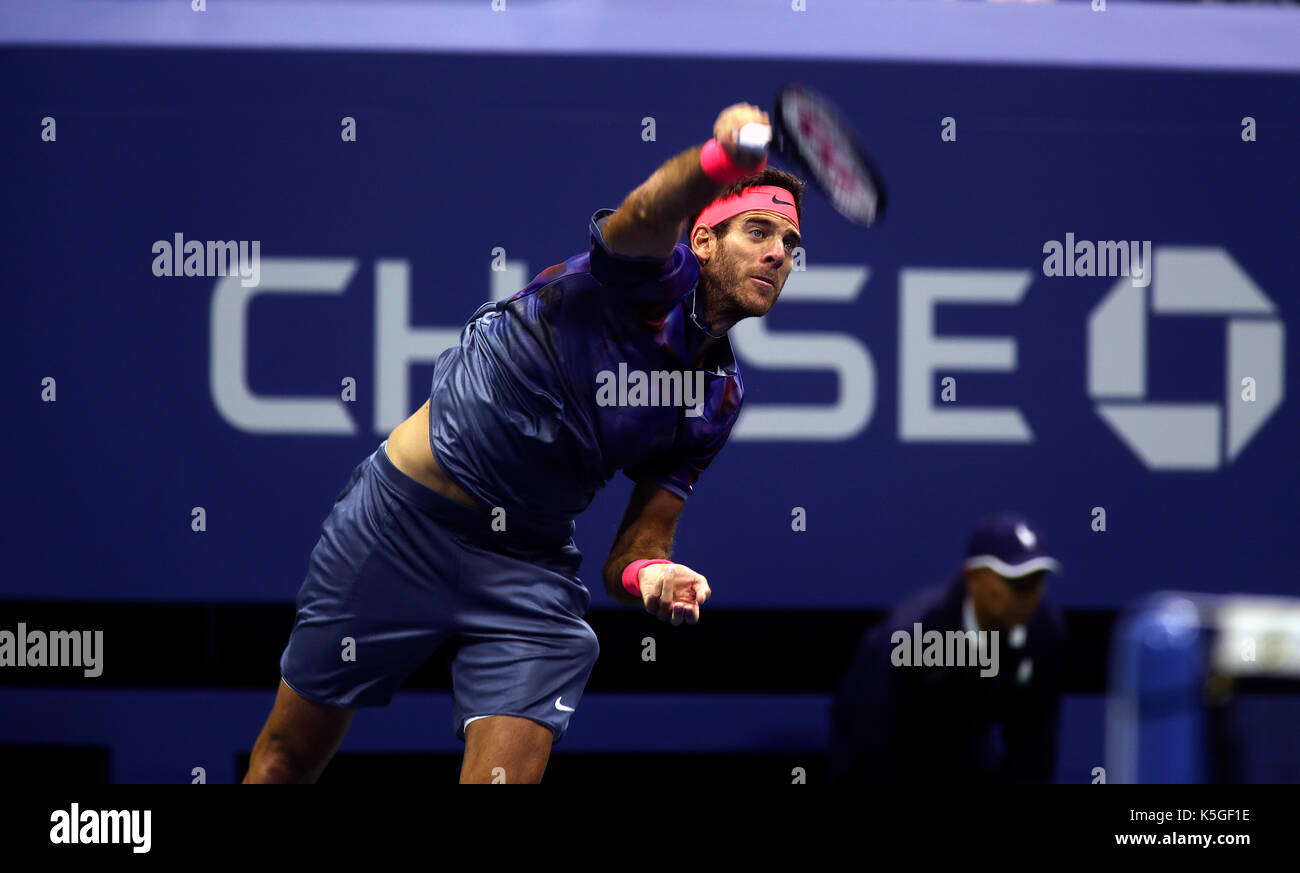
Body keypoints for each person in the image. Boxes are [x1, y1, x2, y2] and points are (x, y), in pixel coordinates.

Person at [244, 102, 808, 783]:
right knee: (284, 759)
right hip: (399, 523)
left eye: (789, 245)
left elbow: (636, 548)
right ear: (706, 240)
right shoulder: (642, 278)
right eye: (758, 230)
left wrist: (650, 575)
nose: (779, 253)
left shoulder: (716, 397)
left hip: (526, 562)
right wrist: (718, 161)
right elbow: (645, 212)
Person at [828, 513, 1068, 783]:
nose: (1027, 596)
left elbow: (1034, 748)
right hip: (886, 753)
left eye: (1036, 582)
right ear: (973, 578)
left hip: (969, 755)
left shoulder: (1045, 632)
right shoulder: (911, 636)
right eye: (1015, 583)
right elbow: (868, 738)